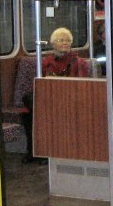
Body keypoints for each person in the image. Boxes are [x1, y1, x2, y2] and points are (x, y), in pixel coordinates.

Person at [22, 27, 89, 162]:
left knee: (49, 113)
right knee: (27, 113)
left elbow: (82, 85)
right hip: (49, 98)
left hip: (71, 99)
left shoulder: (78, 62)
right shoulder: (47, 62)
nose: (64, 43)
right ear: (53, 44)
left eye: (67, 40)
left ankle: (50, 151)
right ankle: (34, 151)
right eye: (60, 40)